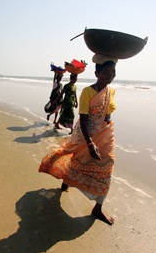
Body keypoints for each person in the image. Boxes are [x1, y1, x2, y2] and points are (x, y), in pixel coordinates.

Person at [39, 55, 118, 225]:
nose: (110, 75)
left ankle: (97, 208)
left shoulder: (111, 91)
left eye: (113, 72)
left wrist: (105, 125)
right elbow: (83, 119)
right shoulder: (88, 92)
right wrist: (89, 143)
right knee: (76, 159)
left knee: (108, 166)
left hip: (105, 135)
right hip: (86, 134)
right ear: (97, 73)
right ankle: (67, 179)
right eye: (106, 72)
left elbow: (108, 113)